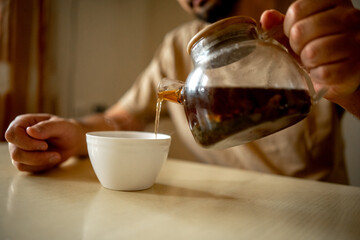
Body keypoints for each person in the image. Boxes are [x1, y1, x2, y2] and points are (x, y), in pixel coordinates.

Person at [4, 0, 360, 184]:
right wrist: (73, 133)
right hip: (224, 208)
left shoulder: (307, 30)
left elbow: (346, 92)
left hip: (312, 208)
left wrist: (352, 82)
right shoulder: (178, 48)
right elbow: (120, 117)